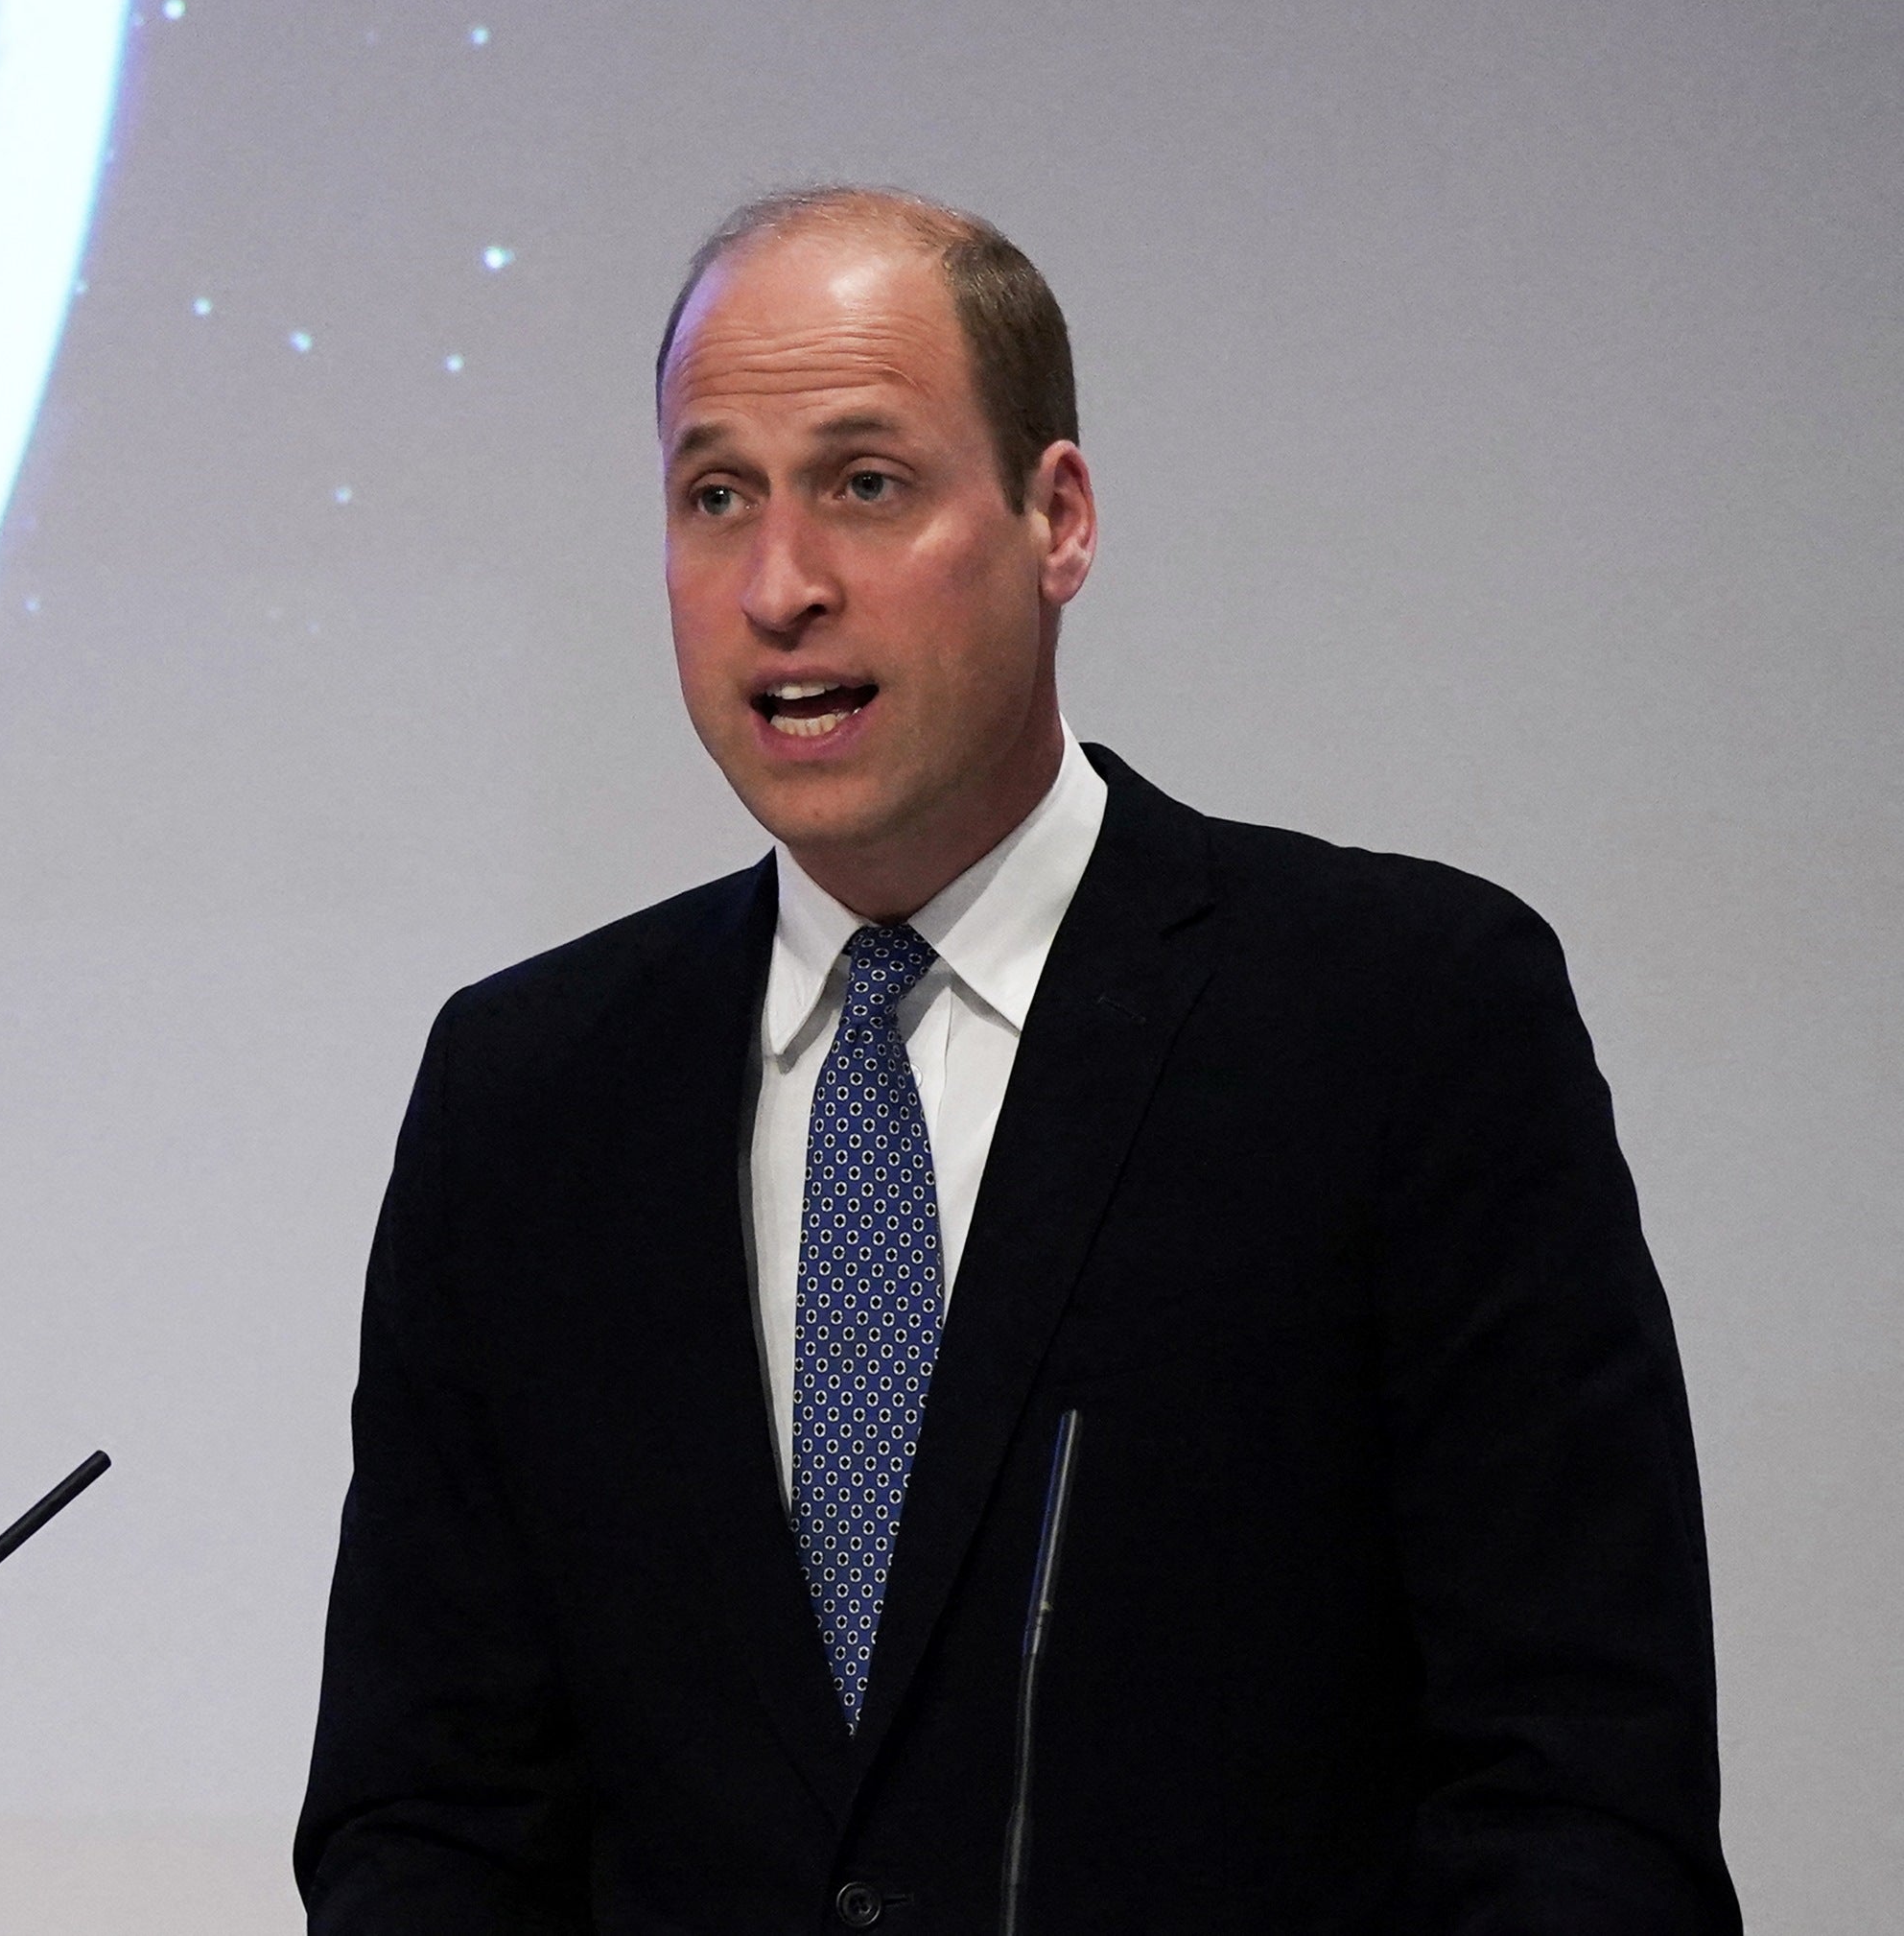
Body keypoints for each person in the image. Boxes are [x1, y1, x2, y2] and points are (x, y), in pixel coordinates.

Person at [296, 187, 1731, 1930]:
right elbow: (425, 1817)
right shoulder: (524, 1098)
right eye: (713, 495)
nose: (780, 587)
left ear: (1056, 516)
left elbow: (1578, 1785)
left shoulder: (1399, 1021)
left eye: (865, 484)